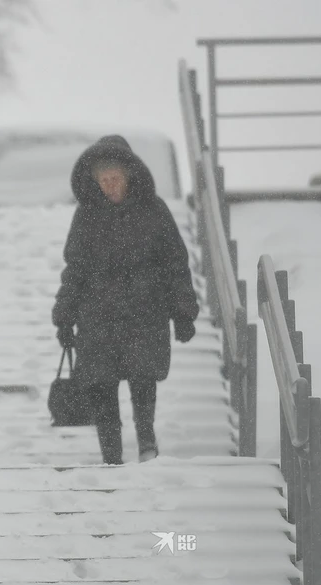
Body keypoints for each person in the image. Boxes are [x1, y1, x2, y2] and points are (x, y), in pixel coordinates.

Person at [52, 135, 199, 465]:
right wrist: (64, 315)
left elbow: (174, 263)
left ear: (129, 175)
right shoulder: (86, 216)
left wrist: (184, 312)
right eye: (102, 181)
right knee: (101, 385)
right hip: (97, 316)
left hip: (144, 310)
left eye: (114, 179)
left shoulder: (154, 211)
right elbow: (75, 268)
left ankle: (147, 441)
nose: (109, 187)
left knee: (143, 377)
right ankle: (111, 455)